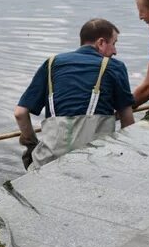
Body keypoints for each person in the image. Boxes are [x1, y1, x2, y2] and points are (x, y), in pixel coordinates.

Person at [15, 19, 135, 169]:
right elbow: (128, 122)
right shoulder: (114, 67)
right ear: (101, 42)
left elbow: (20, 113)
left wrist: (31, 145)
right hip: (96, 162)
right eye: (114, 43)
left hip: (48, 161)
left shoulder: (52, 63)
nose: (115, 51)